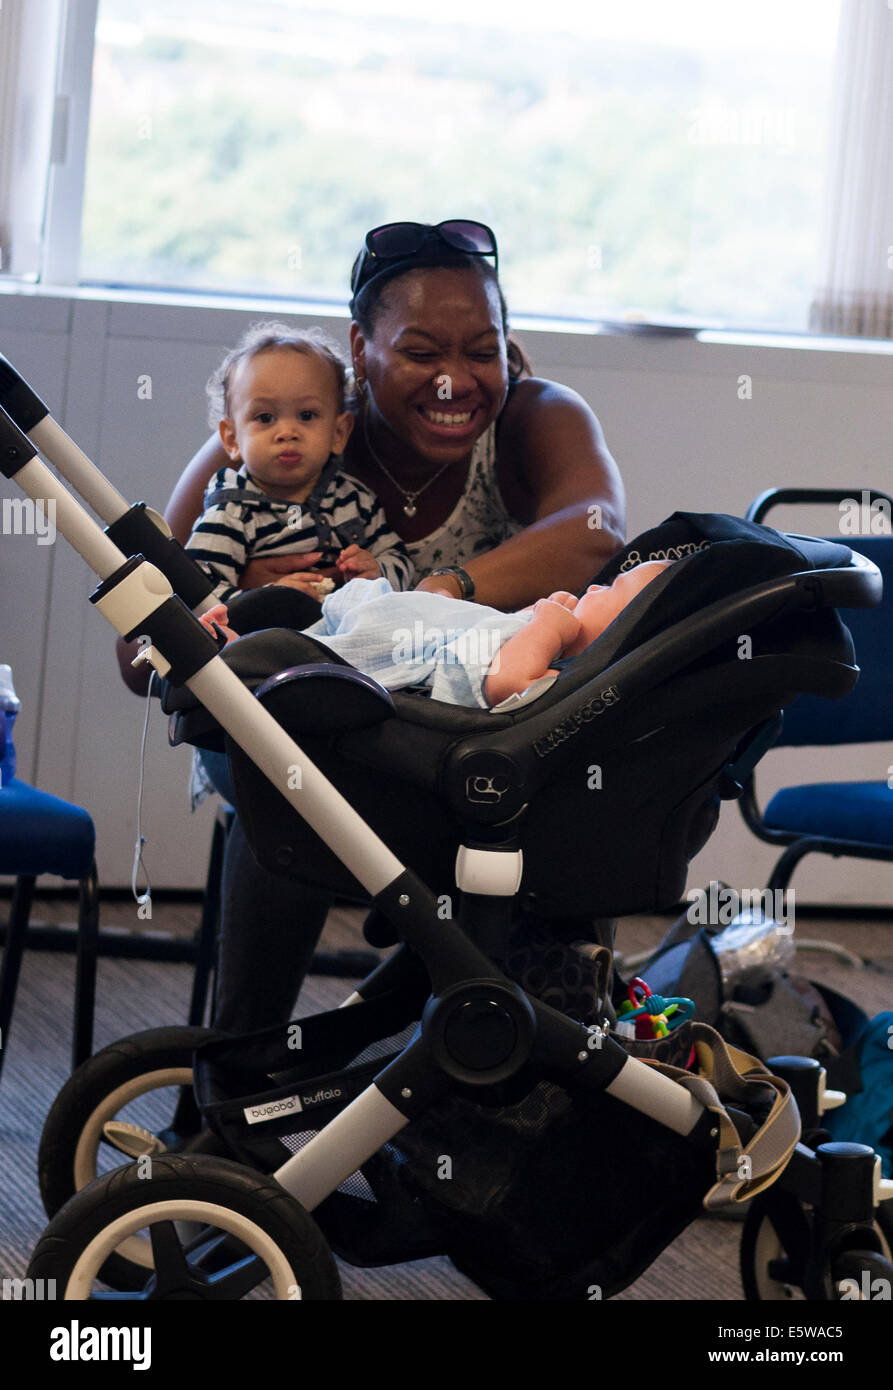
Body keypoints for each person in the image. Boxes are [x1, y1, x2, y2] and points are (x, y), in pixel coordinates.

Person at [119, 219, 627, 1035]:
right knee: (287, 778)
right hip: (311, 745)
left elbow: (596, 528)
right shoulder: (288, 433)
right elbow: (137, 651)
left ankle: (527, 1085)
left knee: (566, 800)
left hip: (469, 741)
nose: (456, 381)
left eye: (482, 350)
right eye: (422, 354)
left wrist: (428, 592)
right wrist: (238, 604)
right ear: (362, 349)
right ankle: (235, 1085)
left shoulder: (533, 414)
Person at [199, 560, 671, 709]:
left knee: (301, 654)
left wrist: (546, 626)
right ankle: (238, 633)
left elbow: (506, 683)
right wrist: (537, 618)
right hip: (406, 617)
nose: (593, 584)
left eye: (610, 589)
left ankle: (230, 651)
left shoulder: (560, 675)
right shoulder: (547, 637)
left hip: (403, 650)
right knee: (299, 614)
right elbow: (490, 625)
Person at [185, 323, 413, 603]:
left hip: (346, 640)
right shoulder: (230, 514)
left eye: (306, 415)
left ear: (339, 433)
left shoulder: (354, 500)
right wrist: (267, 598)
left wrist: (377, 572)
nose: (287, 433)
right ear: (232, 439)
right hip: (267, 642)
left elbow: (402, 564)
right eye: (265, 418)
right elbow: (196, 599)